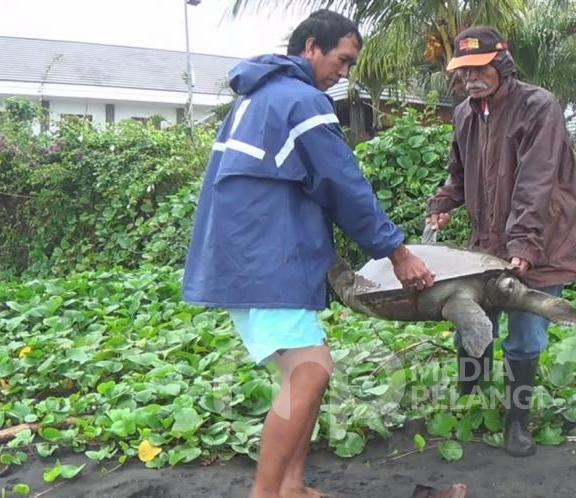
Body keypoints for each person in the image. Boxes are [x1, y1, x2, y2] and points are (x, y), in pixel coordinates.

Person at [181, 10, 435, 498]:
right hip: (266, 261)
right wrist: (397, 252)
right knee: (310, 372)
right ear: (312, 46)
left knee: (308, 374)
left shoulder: (258, 97)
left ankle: (292, 486)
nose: (344, 72)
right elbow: (343, 183)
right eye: (342, 59)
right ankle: (266, 493)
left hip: (250, 255)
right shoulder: (302, 101)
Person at [425, 26, 576, 457]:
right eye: (464, 71)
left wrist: (524, 243)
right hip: (486, 246)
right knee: (472, 327)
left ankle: (518, 422)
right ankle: (471, 404)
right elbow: (458, 174)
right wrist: (443, 202)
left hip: (543, 244)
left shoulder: (537, 106)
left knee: (527, 337)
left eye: (480, 68)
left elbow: (538, 181)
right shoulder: (465, 113)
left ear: (501, 62)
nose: (472, 78)